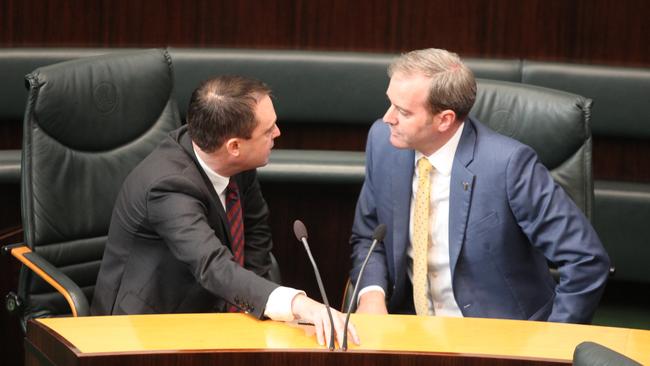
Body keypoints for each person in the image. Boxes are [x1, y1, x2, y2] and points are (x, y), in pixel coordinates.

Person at [92, 75, 358, 347]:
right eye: (268, 131)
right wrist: (298, 303)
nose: (277, 133)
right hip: (146, 329)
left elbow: (255, 234)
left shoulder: (236, 162)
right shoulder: (168, 186)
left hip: (214, 313)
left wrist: (255, 309)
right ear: (234, 147)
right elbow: (212, 265)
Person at [349, 48, 610, 323]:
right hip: (411, 327)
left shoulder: (510, 166)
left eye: (403, 111)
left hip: (501, 334)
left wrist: (552, 342)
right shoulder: (383, 142)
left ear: (444, 119)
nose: (387, 117)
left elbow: (586, 260)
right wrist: (371, 296)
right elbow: (368, 235)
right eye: (390, 103)